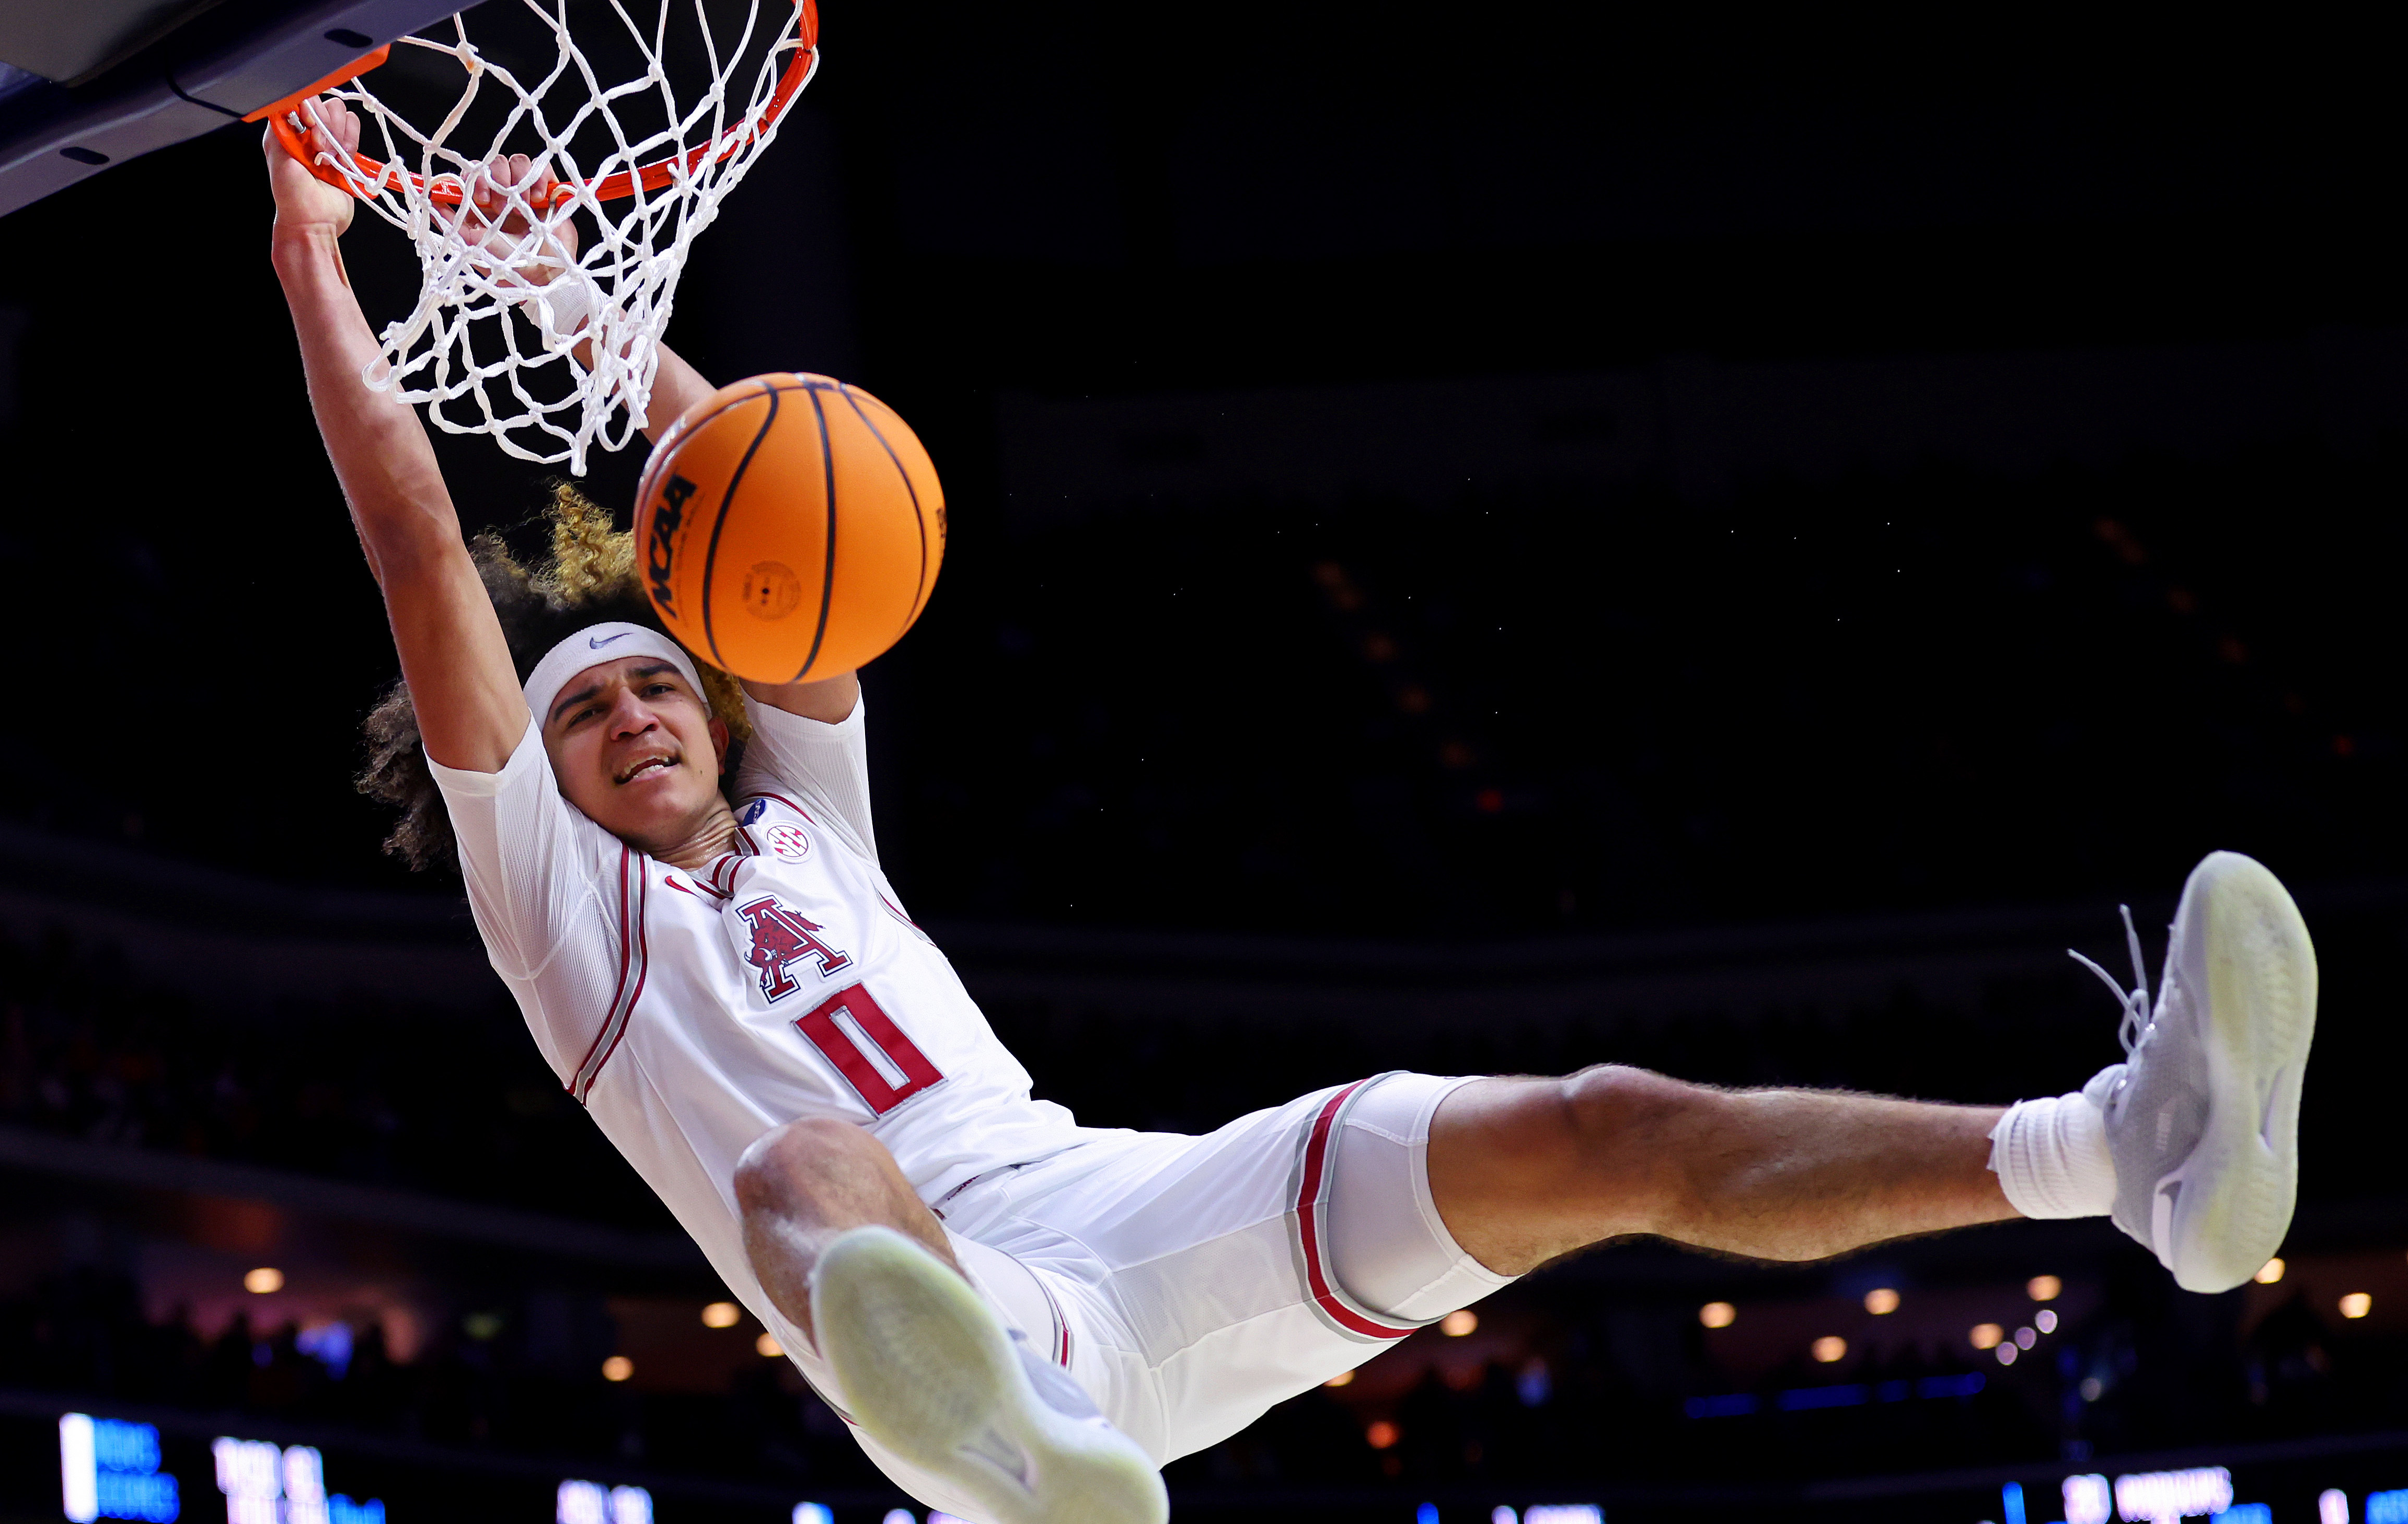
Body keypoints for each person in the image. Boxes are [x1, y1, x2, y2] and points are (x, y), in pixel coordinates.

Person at [264, 103, 2321, 1524]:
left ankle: (2126, 1151)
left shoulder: (816, 809)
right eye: (588, 703)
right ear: (540, 781)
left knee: (1604, 1125)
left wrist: (562, 292)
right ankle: (1013, 1452)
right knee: (809, 1154)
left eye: (649, 674)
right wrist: (312, 258)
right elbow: (425, 549)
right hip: (949, 1320)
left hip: (1133, 1211)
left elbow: (757, 476)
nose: (626, 708)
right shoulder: (562, 919)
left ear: (715, 694)